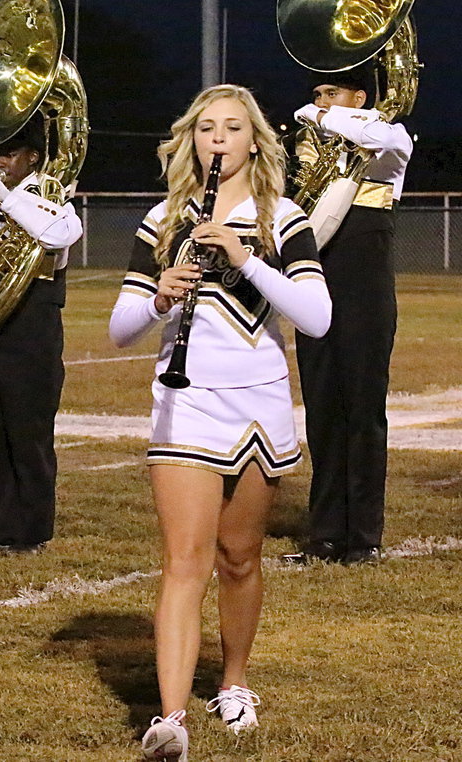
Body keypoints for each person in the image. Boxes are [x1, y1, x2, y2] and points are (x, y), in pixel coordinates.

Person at [108, 85, 331, 760]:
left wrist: (245, 258)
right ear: (192, 140)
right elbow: (119, 327)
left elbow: (317, 318)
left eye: (233, 128)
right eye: (207, 128)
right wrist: (159, 298)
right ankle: (170, 717)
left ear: (254, 141)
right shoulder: (163, 218)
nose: (219, 139)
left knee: (239, 559)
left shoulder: (285, 217)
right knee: (184, 561)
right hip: (188, 403)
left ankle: (233, 683)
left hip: (258, 403)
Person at [289, 66, 413, 566]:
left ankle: (363, 536)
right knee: (322, 411)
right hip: (314, 286)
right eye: (316, 92)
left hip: (364, 292)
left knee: (363, 412)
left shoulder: (389, 138)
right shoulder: (310, 145)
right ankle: (323, 534)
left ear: (359, 97)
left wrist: (319, 115)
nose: (319, 100)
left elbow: (375, 134)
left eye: (331, 91)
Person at [0, 117, 83, 553]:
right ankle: (1, 530)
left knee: (29, 432)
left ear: (33, 157)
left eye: (9, 153)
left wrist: (5, 196)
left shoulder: (50, 197)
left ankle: (33, 531)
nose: (0, 161)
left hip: (33, 327)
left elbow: (59, 234)